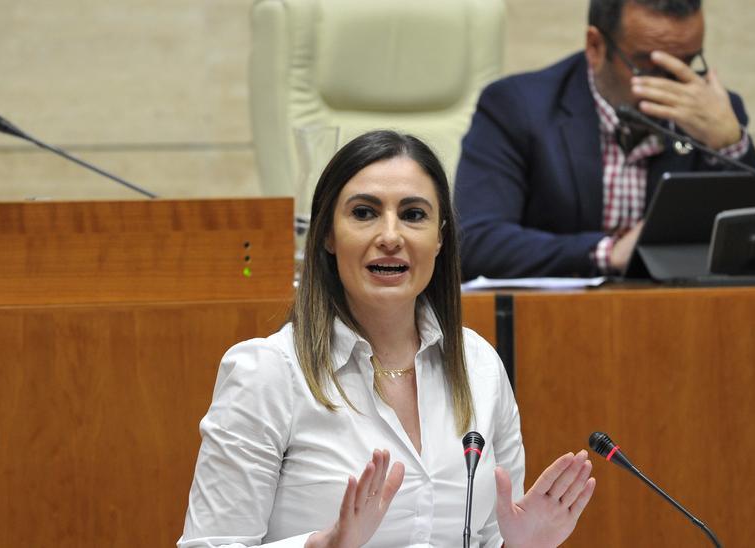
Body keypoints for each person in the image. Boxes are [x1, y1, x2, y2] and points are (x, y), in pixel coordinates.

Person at [179, 130, 596, 547]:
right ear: (327, 234)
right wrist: (322, 545)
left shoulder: (479, 367)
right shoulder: (267, 373)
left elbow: (488, 537)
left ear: (440, 238)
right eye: (364, 213)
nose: (391, 237)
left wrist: (524, 546)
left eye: (414, 215)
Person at [454, 0, 755, 279]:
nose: (671, 86)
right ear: (596, 46)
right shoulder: (517, 107)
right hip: (552, 321)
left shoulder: (716, 114)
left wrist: (729, 145)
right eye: (649, 66)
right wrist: (608, 253)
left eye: (686, 63)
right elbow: (477, 242)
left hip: (679, 318)